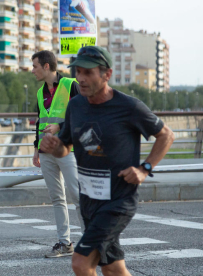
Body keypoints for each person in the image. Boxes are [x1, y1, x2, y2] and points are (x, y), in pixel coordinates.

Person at [40, 46, 174, 276]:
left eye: (88, 73)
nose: (80, 78)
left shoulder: (128, 107)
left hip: (118, 202)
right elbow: (66, 148)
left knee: (81, 263)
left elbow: (166, 135)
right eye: (78, 72)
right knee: (113, 269)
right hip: (90, 202)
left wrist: (144, 169)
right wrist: (55, 147)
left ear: (106, 74)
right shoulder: (76, 106)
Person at [31, 50, 84, 258]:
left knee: (78, 196)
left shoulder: (71, 85)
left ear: (46, 66)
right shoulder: (39, 92)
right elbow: (40, 122)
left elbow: (84, 115)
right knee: (57, 198)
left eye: (35, 66)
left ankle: (90, 242)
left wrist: (60, 127)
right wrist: (36, 149)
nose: (32, 70)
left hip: (67, 149)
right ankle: (65, 243)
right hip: (45, 152)